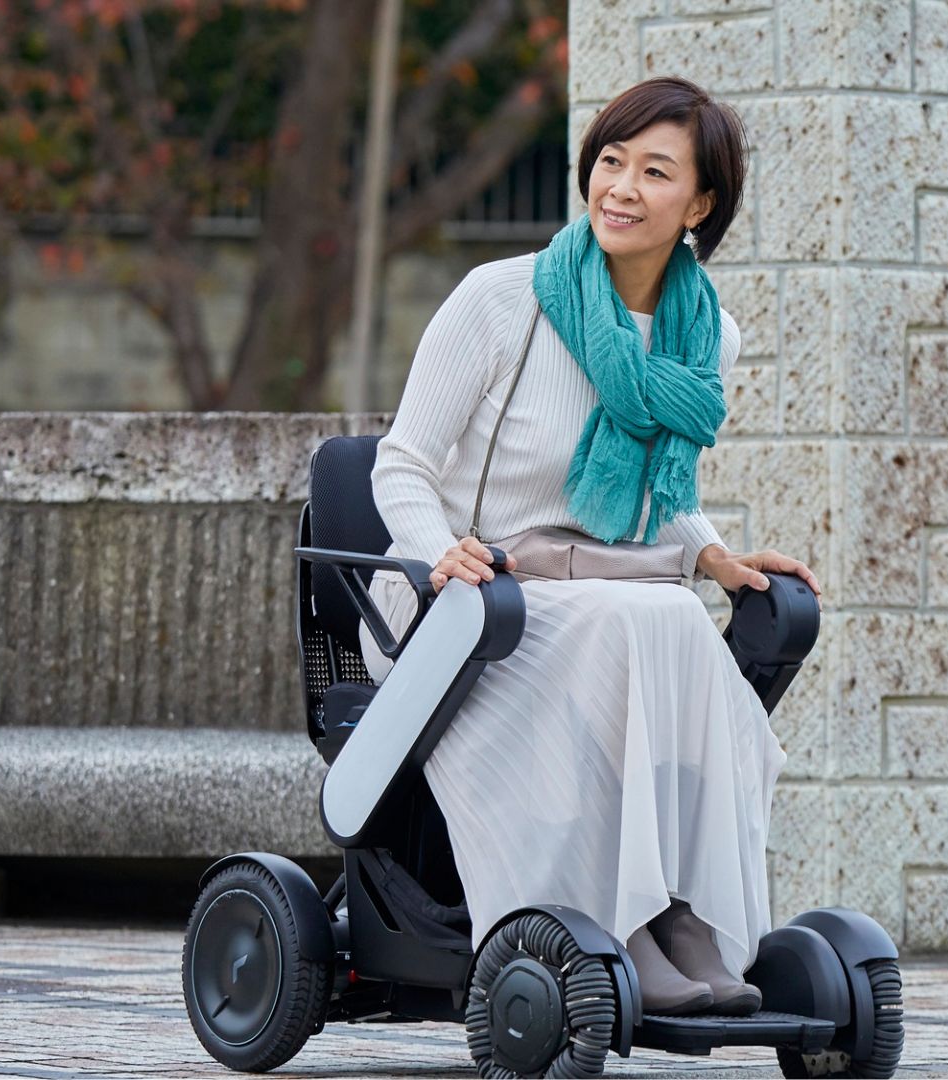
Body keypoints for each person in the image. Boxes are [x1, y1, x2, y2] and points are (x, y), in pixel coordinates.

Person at [357, 75, 820, 1018]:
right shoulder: (501, 300)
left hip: (586, 585)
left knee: (675, 621)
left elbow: (656, 493)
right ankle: (622, 916)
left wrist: (713, 556)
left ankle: (681, 910)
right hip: (462, 602)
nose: (622, 188)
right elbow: (400, 464)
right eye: (612, 161)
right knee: (628, 623)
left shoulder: (705, 336)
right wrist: (441, 553)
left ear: (699, 206)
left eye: (655, 172)